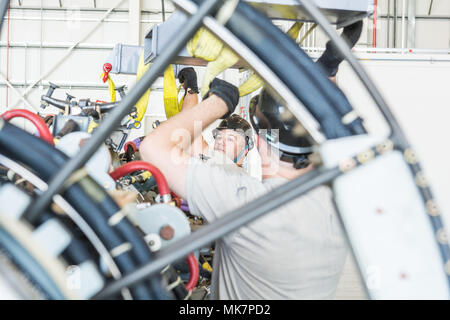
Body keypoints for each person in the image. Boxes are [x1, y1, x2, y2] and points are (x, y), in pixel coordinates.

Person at [140, 78, 348, 299]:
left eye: (230, 139)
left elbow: (153, 148)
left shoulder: (244, 200)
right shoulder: (337, 208)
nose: (221, 143)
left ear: (255, 143)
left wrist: (220, 101)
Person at [177, 67, 253, 167]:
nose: (221, 142)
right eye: (219, 137)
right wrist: (191, 88)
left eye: (230, 139)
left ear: (245, 149)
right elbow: (190, 125)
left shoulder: (242, 181)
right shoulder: (211, 163)